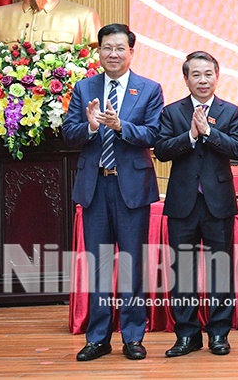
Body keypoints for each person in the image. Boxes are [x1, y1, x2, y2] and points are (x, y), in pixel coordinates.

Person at [63, 23, 163, 362]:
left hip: (131, 188)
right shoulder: (84, 88)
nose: (113, 54)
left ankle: (133, 337)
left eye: (120, 48)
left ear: (131, 52)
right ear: (99, 51)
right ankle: (98, 338)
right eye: (107, 47)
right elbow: (69, 134)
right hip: (95, 186)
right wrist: (91, 126)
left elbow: (154, 135)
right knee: (99, 266)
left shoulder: (149, 89)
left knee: (132, 265)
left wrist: (121, 126)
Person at [154, 51, 238, 357]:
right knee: (182, 271)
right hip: (183, 203)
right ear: (186, 78)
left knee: (220, 270)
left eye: (208, 74)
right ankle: (187, 335)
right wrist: (191, 136)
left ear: (217, 76)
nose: (202, 80)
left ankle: (219, 334)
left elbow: (237, 148)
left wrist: (209, 132)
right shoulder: (172, 112)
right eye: (196, 74)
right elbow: (162, 150)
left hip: (218, 203)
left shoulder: (230, 111)